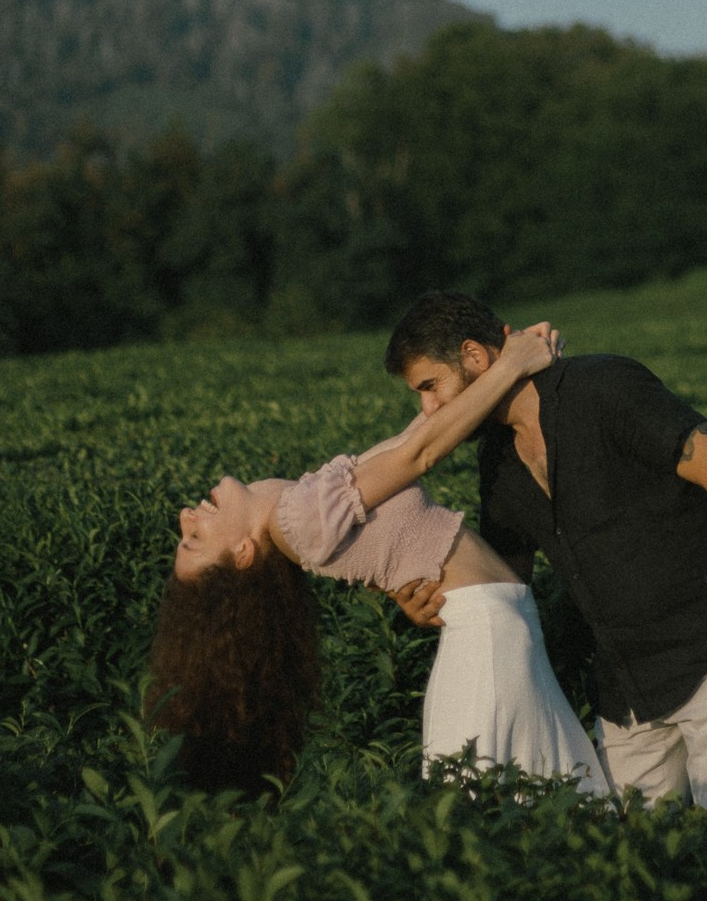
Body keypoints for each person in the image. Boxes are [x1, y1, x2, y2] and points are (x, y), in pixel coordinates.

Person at [385, 291, 707, 817]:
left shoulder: (603, 386)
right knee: (622, 851)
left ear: (475, 356)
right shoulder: (497, 461)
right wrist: (435, 602)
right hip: (623, 686)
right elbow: (505, 581)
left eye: (430, 387)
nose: (428, 410)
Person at [146, 320, 607, 796]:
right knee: (494, 801)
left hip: (500, 622)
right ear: (243, 554)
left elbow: (424, 430)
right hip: (486, 633)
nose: (186, 517)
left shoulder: (299, 511)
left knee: (541, 791)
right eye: (194, 540)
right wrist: (512, 362)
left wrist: (504, 359)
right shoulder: (299, 520)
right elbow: (419, 454)